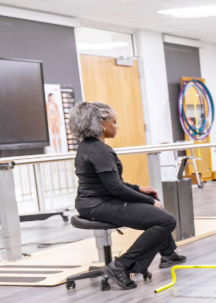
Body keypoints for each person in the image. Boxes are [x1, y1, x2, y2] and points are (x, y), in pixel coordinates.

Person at [69, 102, 185, 290]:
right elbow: (116, 189)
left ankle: (168, 253)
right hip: (98, 204)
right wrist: (150, 201)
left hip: (94, 201)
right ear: (100, 123)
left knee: (155, 210)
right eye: (114, 122)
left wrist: (139, 189)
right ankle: (120, 266)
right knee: (165, 221)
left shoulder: (88, 146)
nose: (117, 126)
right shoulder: (100, 150)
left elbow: (111, 183)